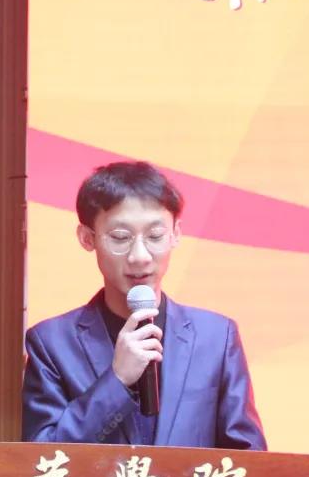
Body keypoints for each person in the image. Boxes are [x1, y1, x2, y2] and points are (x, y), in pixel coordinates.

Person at [21, 160, 265, 449]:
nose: (140, 256)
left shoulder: (216, 337)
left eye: (155, 236)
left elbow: (249, 458)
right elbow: (43, 457)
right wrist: (116, 381)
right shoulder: (52, 343)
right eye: (121, 238)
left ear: (176, 234)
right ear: (87, 238)